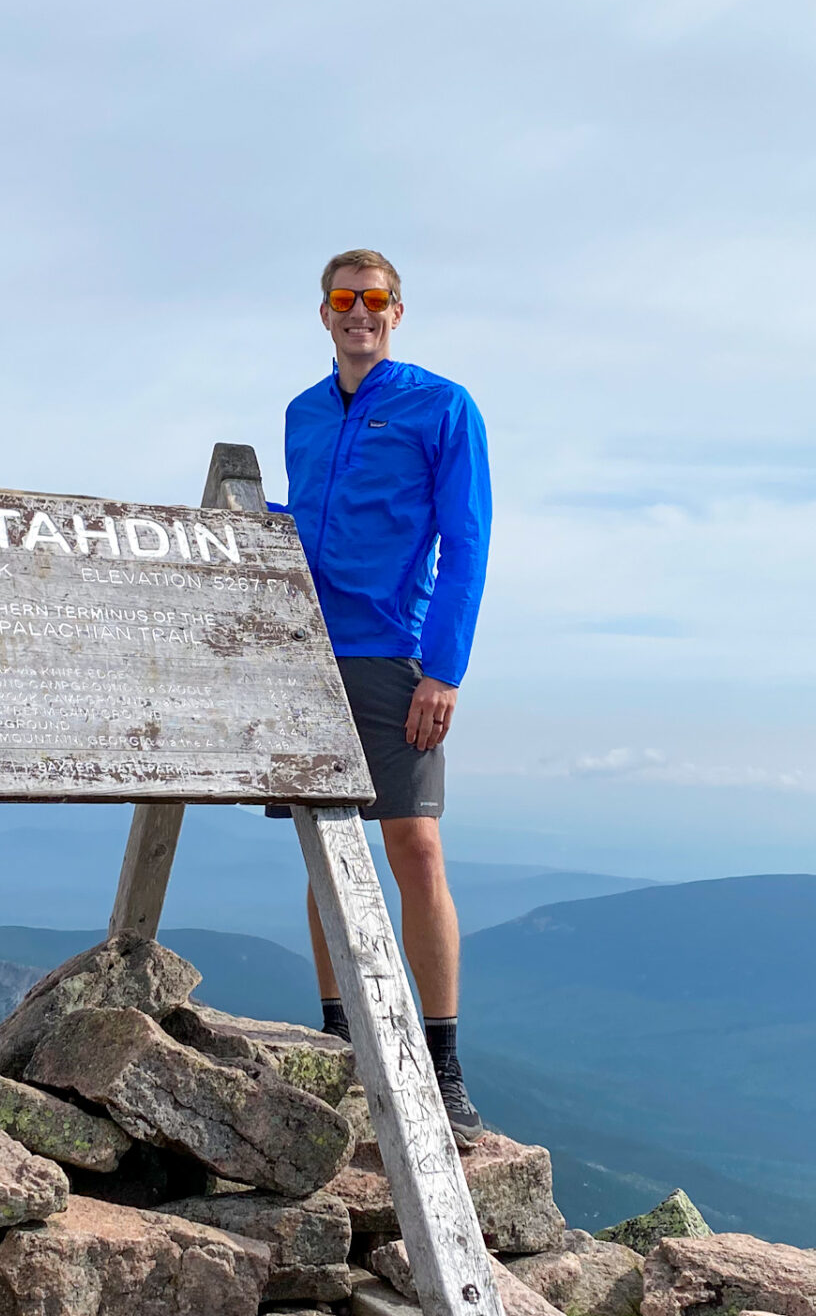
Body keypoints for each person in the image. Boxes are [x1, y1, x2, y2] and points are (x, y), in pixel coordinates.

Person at [279, 247, 492, 1146]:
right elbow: (294, 520)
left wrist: (443, 670)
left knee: (416, 850)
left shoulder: (441, 405)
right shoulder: (301, 413)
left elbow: (466, 538)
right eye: (343, 299)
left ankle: (441, 1071)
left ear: (397, 312)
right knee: (327, 855)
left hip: (395, 656)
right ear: (322, 312)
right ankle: (339, 1048)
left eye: (375, 300)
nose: (358, 313)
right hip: (305, 656)